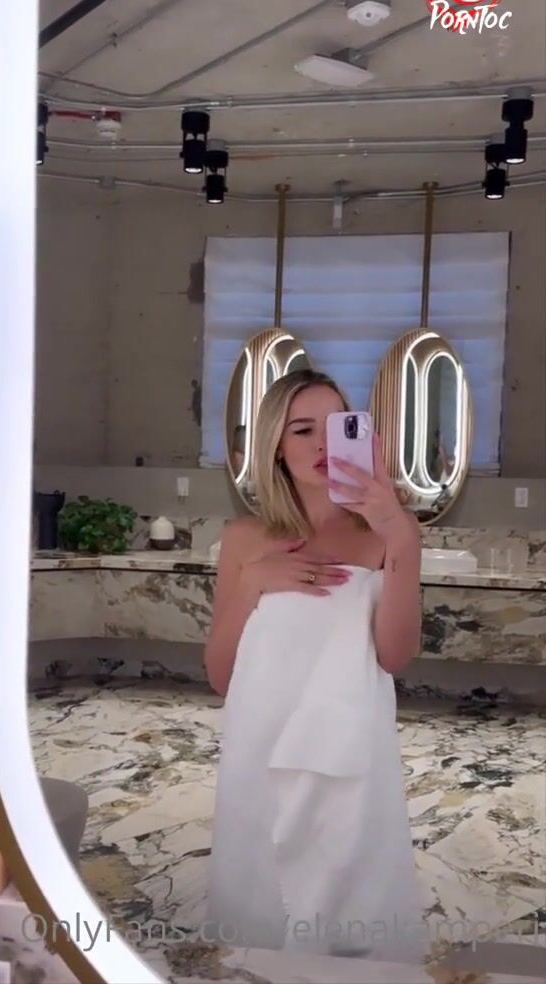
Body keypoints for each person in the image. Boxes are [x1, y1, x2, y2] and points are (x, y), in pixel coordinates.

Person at [204, 369, 427, 964]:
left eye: (338, 427)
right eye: (303, 430)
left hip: (349, 750)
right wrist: (253, 581)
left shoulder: (386, 536)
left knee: (350, 921)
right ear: (276, 446)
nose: (324, 445)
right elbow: (221, 676)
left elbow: (394, 656)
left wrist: (399, 534)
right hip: (262, 746)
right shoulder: (244, 539)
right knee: (261, 921)